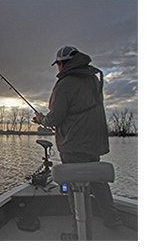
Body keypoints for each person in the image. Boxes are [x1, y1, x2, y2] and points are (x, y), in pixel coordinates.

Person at [33, 46, 122, 240]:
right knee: (98, 180)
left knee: (75, 188)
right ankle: (112, 216)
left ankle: (77, 232)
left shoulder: (64, 84)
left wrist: (41, 119)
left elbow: (55, 118)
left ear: (62, 63)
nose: (58, 69)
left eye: (58, 65)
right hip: (94, 142)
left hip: (74, 144)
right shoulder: (92, 79)